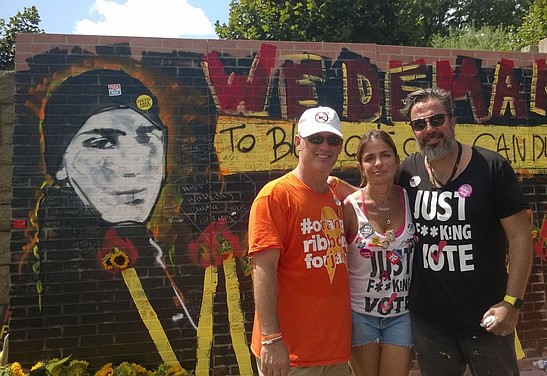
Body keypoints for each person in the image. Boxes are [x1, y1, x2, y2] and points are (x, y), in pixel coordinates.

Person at [23, 68, 213, 369]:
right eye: (101, 142)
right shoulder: (66, 266)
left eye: (146, 137)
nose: (132, 166)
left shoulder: (141, 247)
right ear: (60, 164)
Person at [398, 87, 533, 376]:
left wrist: (512, 303)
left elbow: (520, 237)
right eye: (419, 124)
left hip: (487, 317)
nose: (429, 130)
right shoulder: (407, 172)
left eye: (437, 120)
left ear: (453, 120)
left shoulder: (492, 167)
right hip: (430, 323)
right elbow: (372, 197)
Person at [248, 106, 352, 376]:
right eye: (315, 138)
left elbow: (372, 197)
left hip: (334, 349)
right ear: (298, 143)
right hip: (290, 353)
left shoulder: (335, 194)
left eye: (333, 140)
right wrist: (271, 339)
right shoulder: (275, 196)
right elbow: (263, 270)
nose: (324, 146)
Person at [342, 129, 414, 376]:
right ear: (361, 167)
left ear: (396, 159)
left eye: (385, 155)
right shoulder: (349, 207)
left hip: (401, 314)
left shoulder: (410, 199)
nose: (378, 163)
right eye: (369, 158)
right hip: (361, 315)